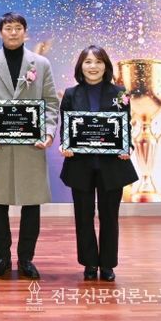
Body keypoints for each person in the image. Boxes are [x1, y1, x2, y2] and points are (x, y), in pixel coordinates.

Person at [0, 12, 58, 280]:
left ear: (26, 32)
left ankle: (26, 259)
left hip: (31, 147)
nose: (13, 32)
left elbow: (50, 103)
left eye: (18, 28)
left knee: (31, 204)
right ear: (0, 32)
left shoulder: (41, 64)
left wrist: (48, 133)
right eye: (8, 28)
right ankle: (2, 258)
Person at [59, 45, 138, 282]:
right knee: (83, 217)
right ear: (80, 66)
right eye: (88, 62)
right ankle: (90, 263)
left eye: (98, 62)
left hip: (112, 166)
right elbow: (66, 127)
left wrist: (127, 147)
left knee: (109, 217)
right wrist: (64, 145)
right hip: (80, 165)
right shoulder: (71, 94)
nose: (93, 67)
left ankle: (108, 264)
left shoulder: (120, 92)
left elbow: (125, 126)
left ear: (106, 66)